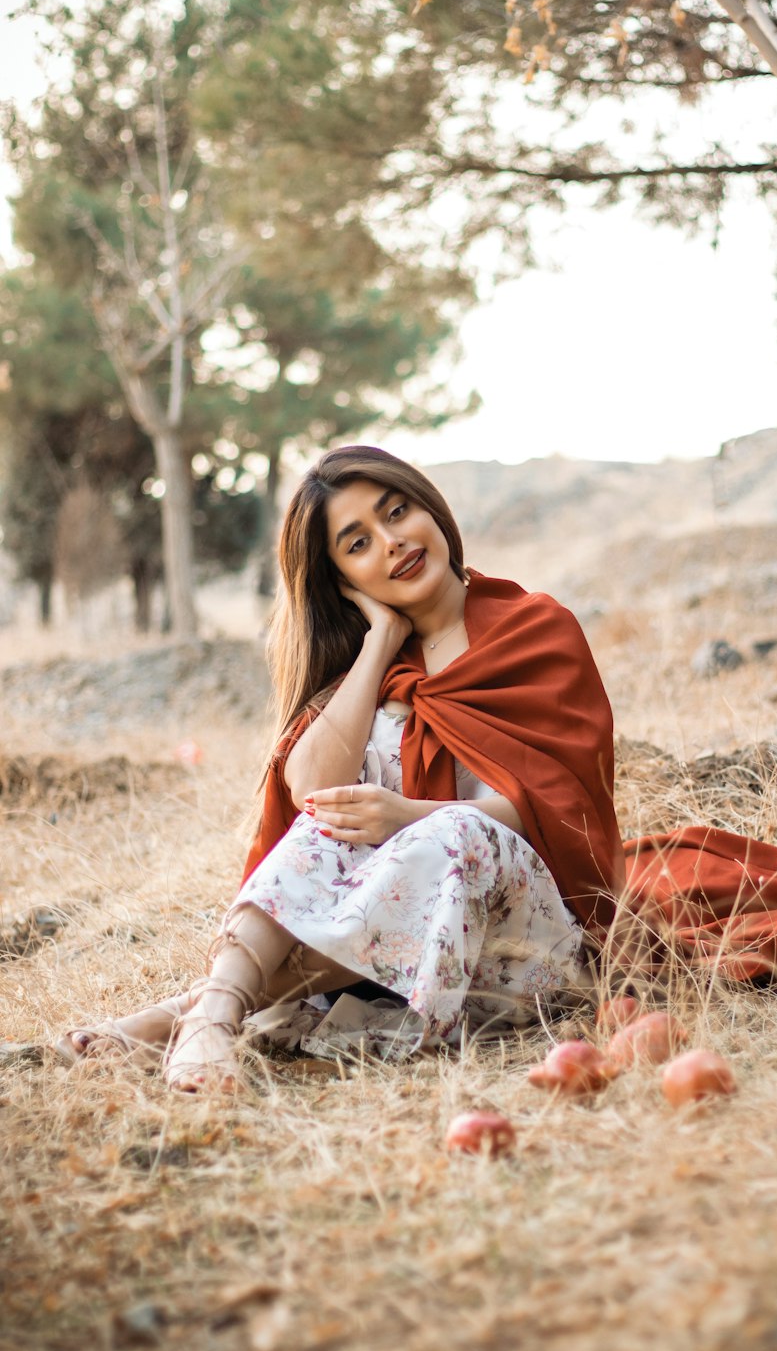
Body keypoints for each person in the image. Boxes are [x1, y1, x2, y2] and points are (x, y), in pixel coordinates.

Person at [58, 446, 625, 1092]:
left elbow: (556, 805)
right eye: (359, 543)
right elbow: (312, 790)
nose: (392, 542)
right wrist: (381, 639)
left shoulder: (533, 628)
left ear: (429, 507)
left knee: (455, 834)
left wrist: (411, 817)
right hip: (380, 965)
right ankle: (213, 1016)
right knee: (329, 818)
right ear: (340, 577)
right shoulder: (373, 665)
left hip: (517, 945)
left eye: (397, 512)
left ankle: (172, 1016)